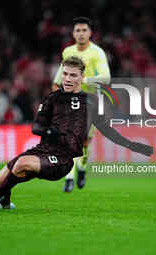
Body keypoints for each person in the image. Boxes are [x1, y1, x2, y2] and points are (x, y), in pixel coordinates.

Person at [0, 56, 152, 211]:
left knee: (21, 165)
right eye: (65, 74)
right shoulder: (52, 98)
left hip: (63, 159)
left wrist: (133, 145)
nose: (67, 78)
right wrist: (52, 132)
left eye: (73, 75)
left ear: (82, 77)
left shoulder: (92, 102)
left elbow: (107, 130)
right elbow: (37, 127)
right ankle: (5, 204)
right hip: (42, 150)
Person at [52, 17, 111, 193]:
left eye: (84, 30)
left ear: (90, 33)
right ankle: (69, 177)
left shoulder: (97, 53)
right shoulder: (68, 51)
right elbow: (58, 78)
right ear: (73, 33)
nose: (81, 33)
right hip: (71, 100)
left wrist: (85, 79)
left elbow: (106, 78)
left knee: (85, 142)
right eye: (77, 30)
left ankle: (82, 168)